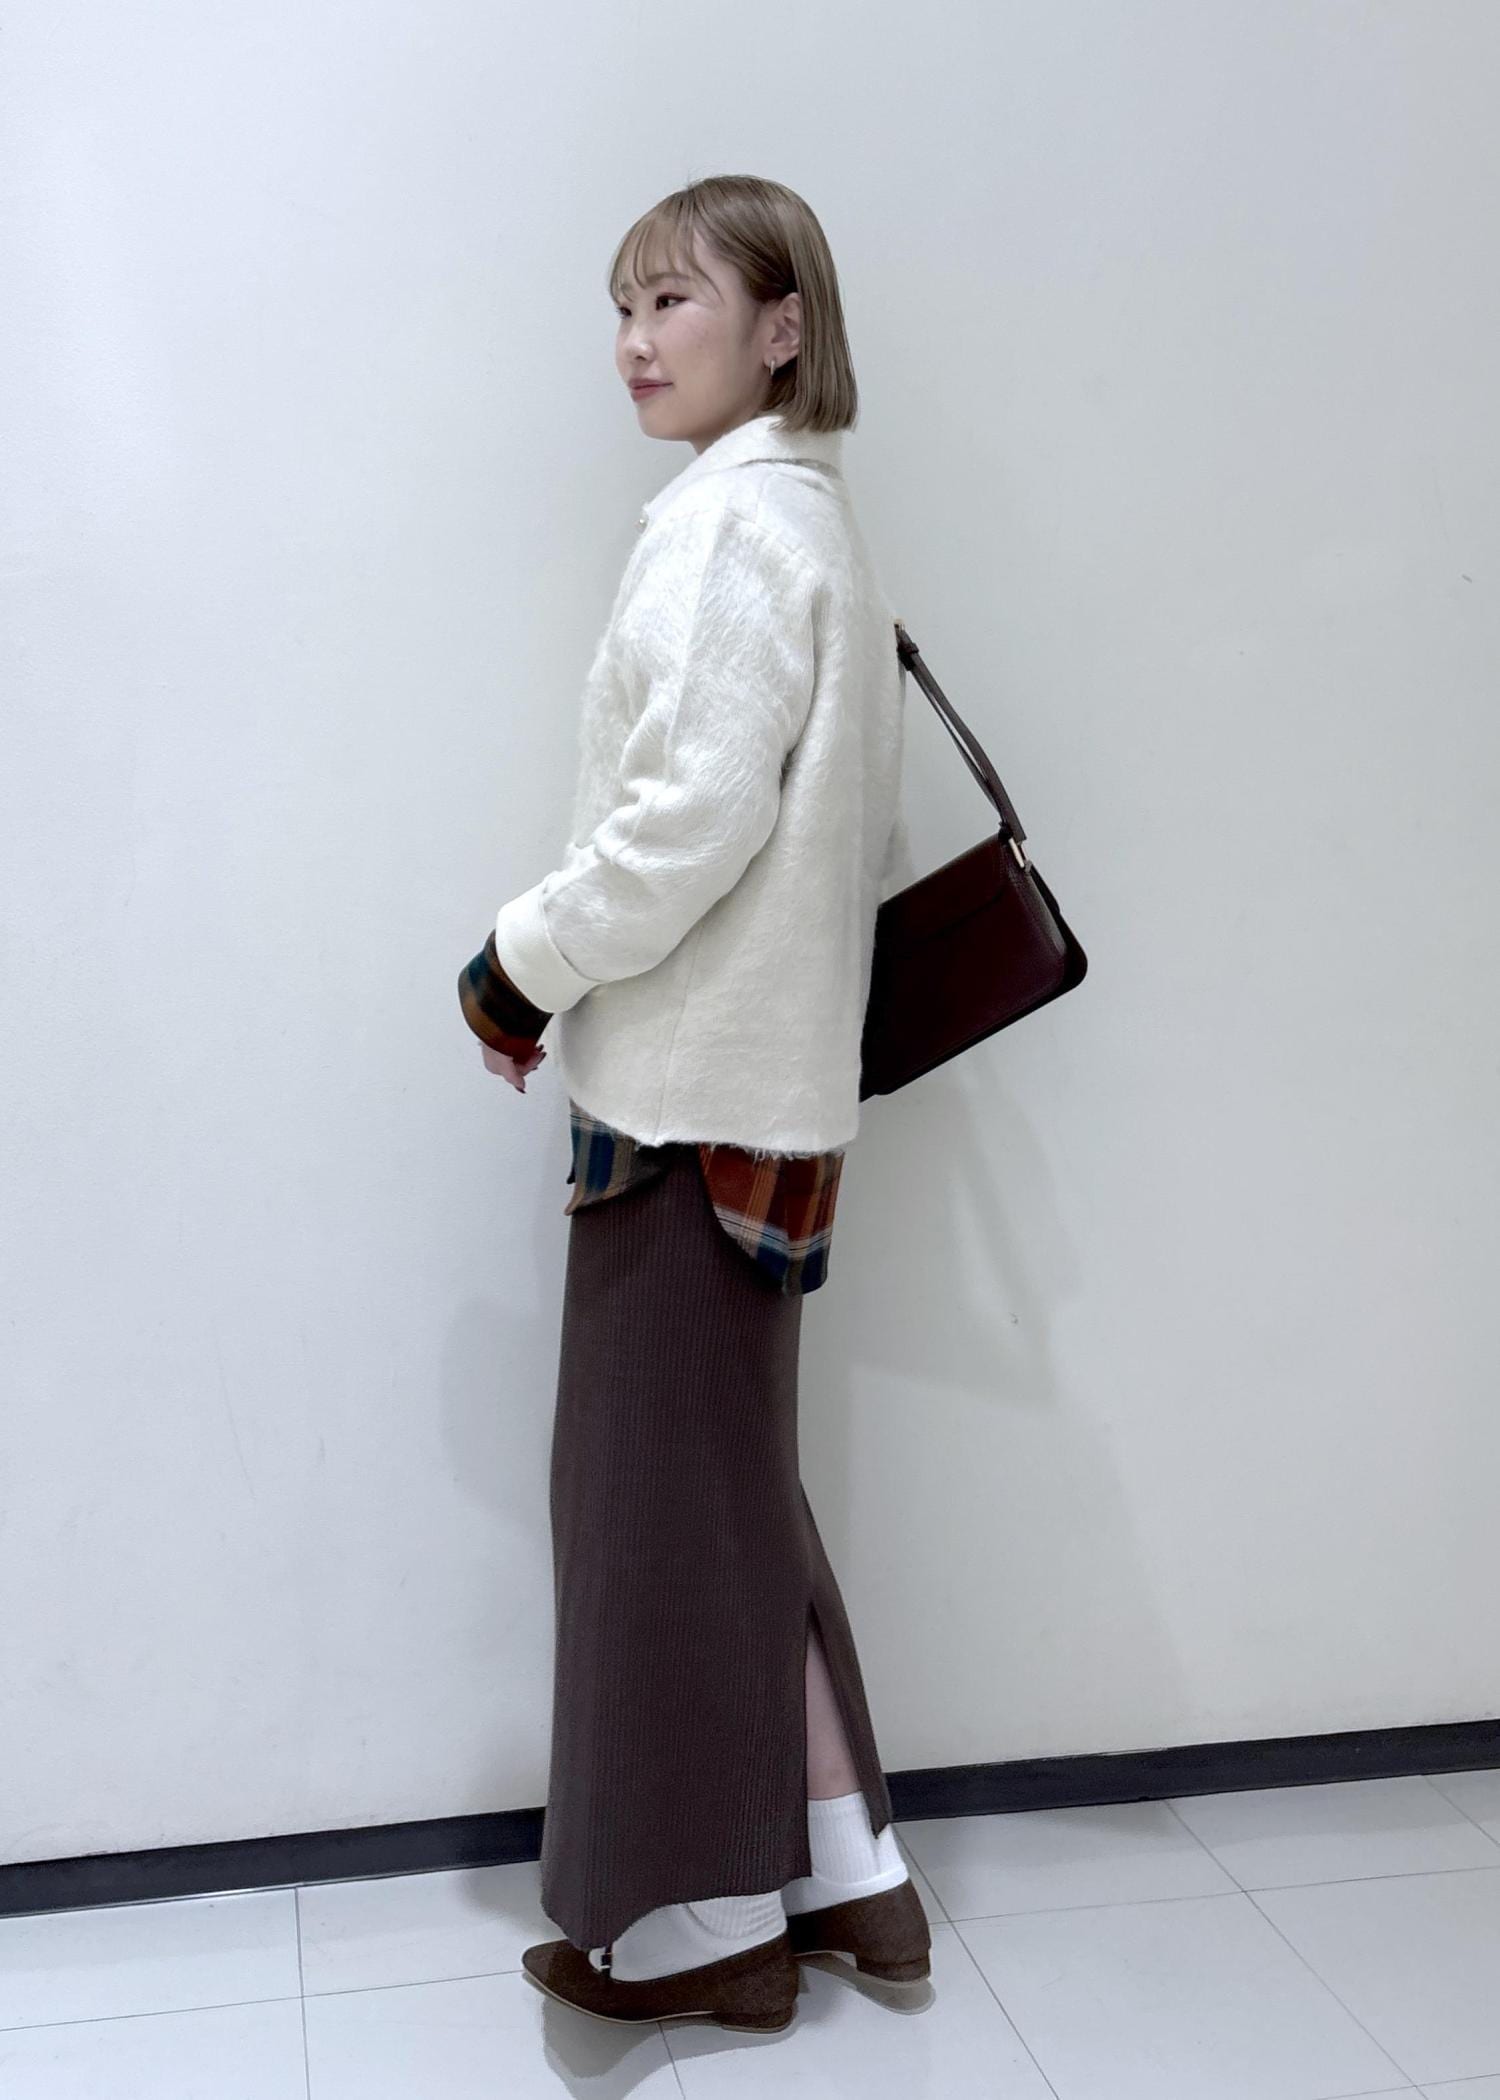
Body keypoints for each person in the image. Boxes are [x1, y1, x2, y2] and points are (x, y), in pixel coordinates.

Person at [457, 173, 928, 2034]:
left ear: (784, 325)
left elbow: (688, 824)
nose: (638, 342)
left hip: (682, 1106)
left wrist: (518, 963)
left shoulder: (734, 527)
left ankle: (701, 1931)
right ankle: (850, 1874)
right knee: (728, 1501)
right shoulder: (820, 524)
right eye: (624, 308)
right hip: (770, 1101)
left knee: (654, 1515)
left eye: (676, 302)